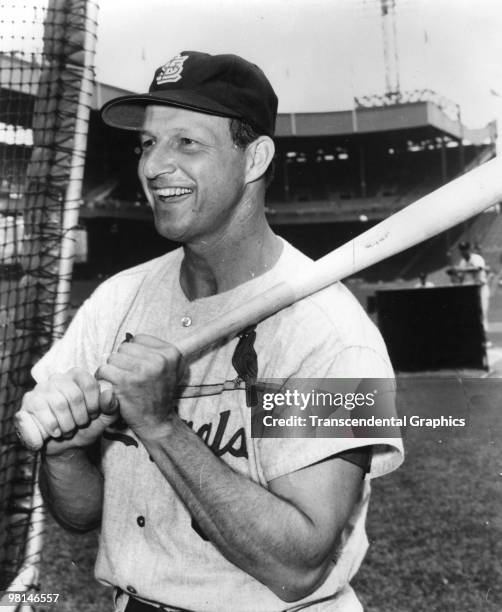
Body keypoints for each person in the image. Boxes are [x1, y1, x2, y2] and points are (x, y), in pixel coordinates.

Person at [17, 51, 403, 611]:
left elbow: (298, 564)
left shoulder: (331, 331)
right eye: (147, 144)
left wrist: (161, 426)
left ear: (254, 159)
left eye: (186, 143)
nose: (153, 166)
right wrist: (64, 455)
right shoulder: (116, 302)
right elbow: (79, 515)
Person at [453, 241, 490, 335]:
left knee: (482, 313)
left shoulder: (476, 258)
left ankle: (485, 340)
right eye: (461, 250)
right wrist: (455, 273)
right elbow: (460, 277)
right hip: (470, 291)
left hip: (481, 288)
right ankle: (477, 338)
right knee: (473, 315)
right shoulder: (462, 262)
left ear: (469, 249)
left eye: (465, 249)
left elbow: (478, 269)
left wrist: (461, 270)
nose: (463, 252)